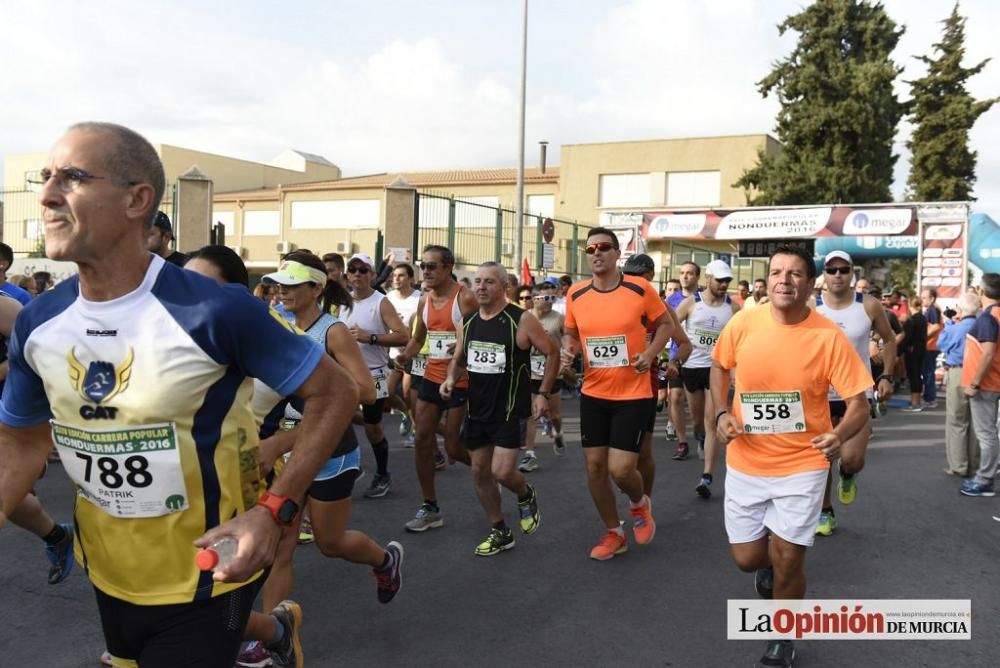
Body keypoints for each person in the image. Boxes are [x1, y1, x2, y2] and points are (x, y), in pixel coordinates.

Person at [0, 122, 360, 668]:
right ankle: (279, 631)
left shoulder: (214, 310)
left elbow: (336, 392)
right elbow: (21, 445)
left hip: (211, 571)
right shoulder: (38, 322)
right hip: (109, 569)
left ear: (137, 199)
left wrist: (274, 509)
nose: (48, 194)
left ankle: (270, 629)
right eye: (45, 177)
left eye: (72, 178)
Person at [712, 244, 872, 668]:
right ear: (767, 280)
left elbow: (859, 402)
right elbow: (719, 365)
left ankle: (784, 635)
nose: (785, 279)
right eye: (777, 271)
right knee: (747, 559)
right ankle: (771, 573)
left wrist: (839, 436)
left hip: (803, 465)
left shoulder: (827, 336)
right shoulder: (744, 322)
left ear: (809, 283)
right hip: (747, 460)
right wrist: (722, 411)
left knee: (789, 556)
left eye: (795, 273)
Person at [561, 228, 676, 560]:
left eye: (604, 247)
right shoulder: (577, 294)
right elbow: (571, 334)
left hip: (634, 391)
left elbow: (666, 325)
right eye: (590, 248)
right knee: (595, 467)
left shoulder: (639, 289)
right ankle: (614, 533)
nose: (596, 253)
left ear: (615, 254)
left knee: (622, 469)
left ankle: (640, 505)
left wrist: (651, 353)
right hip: (594, 392)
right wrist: (569, 352)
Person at [440, 262, 556, 554]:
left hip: (509, 409)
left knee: (502, 472)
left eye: (489, 282)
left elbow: (552, 352)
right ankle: (500, 529)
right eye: (477, 281)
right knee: (480, 472)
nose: (480, 287)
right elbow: (459, 357)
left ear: (505, 287)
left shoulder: (521, 319)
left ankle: (525, 492)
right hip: (477, 408)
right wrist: (451, 378)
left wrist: (542, 393)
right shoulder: (467, 321)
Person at [813, 251, 897, 536]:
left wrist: (886, 375)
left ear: (852, 273)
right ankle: (825, 511)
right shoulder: (811, 306)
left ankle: (847, 475)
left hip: (857, 395)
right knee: (822, 457)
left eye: (843, 270)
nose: (838, 275)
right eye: (832, 270)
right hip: (819, 394)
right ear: (824, 273)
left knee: (852, 458)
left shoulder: (869, 305)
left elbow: (889, 339)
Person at [395, 245, 475, 531]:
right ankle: (430, 507)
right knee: (422, 439)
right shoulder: (423, 302)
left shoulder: (464, 298)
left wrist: (465, 345)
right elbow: (418, 338)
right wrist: (407, 354)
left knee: (453, 446)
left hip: (460, 378)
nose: (425, 271)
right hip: (431, 376)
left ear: (447, 267)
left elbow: (481, 333)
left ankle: (485, 471)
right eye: (423, 265)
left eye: (432, 266)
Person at [342, 252, 410, 498]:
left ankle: (382, 474)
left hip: (375, 374)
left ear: (372, 274)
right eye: (353, 269)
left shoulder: (380, 302)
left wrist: (368, 337)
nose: (357, 274)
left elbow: (403, 336)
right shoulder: (342, 301)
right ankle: (350, 467)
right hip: (345, 374)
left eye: (363, 270)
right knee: (338, 419)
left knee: (373, 428)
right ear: (347, 274)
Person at [623, 255, 690, 502]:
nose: (633, 282)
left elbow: (684, 344)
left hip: (645, 388)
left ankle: (644, 501)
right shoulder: (613, 303)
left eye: (639, 277)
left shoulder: (662, 308)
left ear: (650, 277)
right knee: (605, 459)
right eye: (629, 276)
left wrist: (674, 362)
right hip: (609, 387)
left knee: (641, 452)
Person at [675, 259, 739, 498]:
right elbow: (671, 324)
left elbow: (741, 338)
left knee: (712, 419)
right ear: (708, 279)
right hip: (692, 366)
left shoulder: (733, 310)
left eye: (727, 281)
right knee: (698, 419)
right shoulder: (692, 303)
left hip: (717, 369)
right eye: (720, 280)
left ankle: (707, 476)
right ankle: (699, 435)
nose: (723, 285)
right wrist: (675, 352)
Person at [521, 280, 572, 471]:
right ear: (535, 299)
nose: (550, 301)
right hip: (530, 371)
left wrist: (567, 353)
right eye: (546, 297)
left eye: (553, 297)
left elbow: (567, 339)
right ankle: (529, 454)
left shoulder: (558, 318)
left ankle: (558, 432)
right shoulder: (526, 317)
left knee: (555, 414)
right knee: (531, 414)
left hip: (552, 371)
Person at [960, 273, 1000, 497]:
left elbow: (987, 352)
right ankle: (986, 476)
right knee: (991, 433)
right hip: (994, 381)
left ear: (982, 292)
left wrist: (975, 383)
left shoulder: (987, 317)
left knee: (987, 434)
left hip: (986, 384)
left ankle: (984, 480)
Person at [938, 292, 980, 477]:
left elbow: (942, 345)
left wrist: (948, 323)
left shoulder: (956, 327)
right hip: (979, 373)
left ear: (960, 309)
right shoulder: (982, 325)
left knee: (957, 421)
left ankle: (958, 465)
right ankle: (975, 465)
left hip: (958, 371)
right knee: (976, 422)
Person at [668, 261, 700, 459]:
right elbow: (664, 325)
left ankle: (701, 433)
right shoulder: (672, 299)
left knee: (698, 410)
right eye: (682, 273)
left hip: (700, 358)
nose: (685, 277)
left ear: (697, 277)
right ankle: (682, 442)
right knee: (675, 397)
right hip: (677, 355)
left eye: (689, 273)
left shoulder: (703, 299)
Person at [385, 263, 421, 441]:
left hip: (411, 353)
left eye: (401, 275)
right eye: (394, 275)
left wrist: (406, 329)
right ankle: (405, 414)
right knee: (387, 394)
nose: (396, 279)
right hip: (393, 353)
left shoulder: (418, 298)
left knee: (408, 392)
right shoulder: (388, 297)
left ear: (411, 279)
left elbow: (423, 328)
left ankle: (415, 429)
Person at [901, 301, 928, 412]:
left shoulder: (912, 320)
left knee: (913, 375)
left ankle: (915, 403)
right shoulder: (923, 318)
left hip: (912, 349)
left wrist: (900, 350)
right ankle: (917, 401)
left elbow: (907, 337)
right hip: (921, 348)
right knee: (918, 374)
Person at [921, 287, 943, 408]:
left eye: (924, 298)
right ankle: (929, 397)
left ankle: (929, 398)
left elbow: (935, 326)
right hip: (931, 345)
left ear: (932, 298)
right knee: (928, 372)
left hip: (930, 346)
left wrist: (922, 336)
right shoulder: (932, 309)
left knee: (928, 372)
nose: (922, 300)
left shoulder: (932, 309)